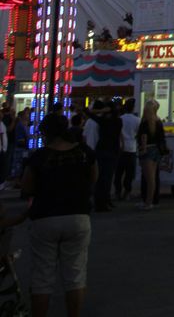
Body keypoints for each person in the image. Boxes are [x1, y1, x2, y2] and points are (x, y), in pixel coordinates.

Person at [21, 111, 97, 317]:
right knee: (75, 275)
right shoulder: (84, 153)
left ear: (46, 133)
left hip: (45, 216)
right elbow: (93, 179)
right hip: (78, 215)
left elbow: (27, 187)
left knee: (42, 277)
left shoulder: (39, 157)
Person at [136, 100, 167, 210]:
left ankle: (148, 202)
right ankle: (151, 201)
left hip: (147, 150)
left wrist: (143, 148)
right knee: (153, 178)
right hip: (156, 150)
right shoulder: (158, 121)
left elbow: (143, 136)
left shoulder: (145, 121)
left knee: (148, 178)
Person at [91, 101, 121, 212]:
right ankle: (105, 201)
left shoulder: (102, 121)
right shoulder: (118, 121)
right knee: (107, 178)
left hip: (101, 150)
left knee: (100, 179)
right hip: (112, 151)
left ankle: (99, 202)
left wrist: (101, 111)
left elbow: (89, 112)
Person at [114, 99, 138, 202]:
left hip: (120, 149)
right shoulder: (137, 120)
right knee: (129, 173)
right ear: (133, 108)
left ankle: (117, 192)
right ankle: (127, 192)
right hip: (132, 148)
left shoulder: (120, 119)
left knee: (118, 173)